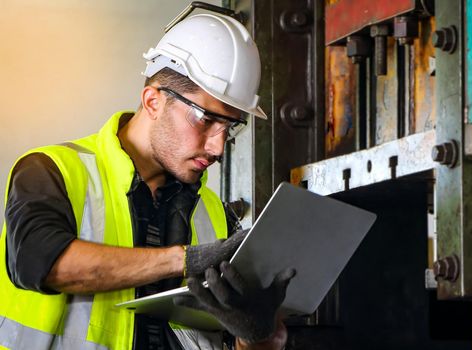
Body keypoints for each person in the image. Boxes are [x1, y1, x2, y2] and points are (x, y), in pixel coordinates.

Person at [0, 12, 294, 350]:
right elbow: (44, 264)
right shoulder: (53, 171)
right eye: (206, 119)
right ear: (153, 101)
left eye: (231, 127)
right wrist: (184, 260)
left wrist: (255, 335)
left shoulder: (213, 213)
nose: (217, 147)